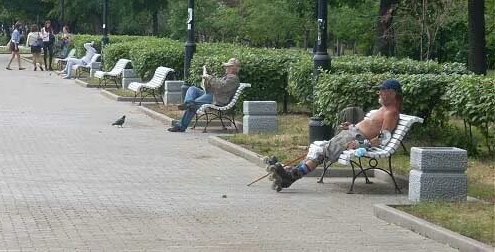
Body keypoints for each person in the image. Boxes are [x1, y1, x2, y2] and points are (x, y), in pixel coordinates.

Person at [269, 78, 403, 190]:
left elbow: (384, 137)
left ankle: (291, 176)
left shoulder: (391, 112)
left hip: (355, 138)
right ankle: (288, 173)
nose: (379, 93)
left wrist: (360, 144)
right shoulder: (384, 108)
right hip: (352, 134)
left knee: (322, 153)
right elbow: (371, 126)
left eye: (382, 91)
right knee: (321, 150)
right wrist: (351, 126)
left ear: (392, 93)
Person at [168, 58, 241, 133]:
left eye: (228, 66)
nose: (226, 68)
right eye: (226, 66)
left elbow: (221, 86)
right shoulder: (227, 76)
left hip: (217, 99)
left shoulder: (233, 79)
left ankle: (181, 126)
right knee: (192, 89)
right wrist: (207, 79)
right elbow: (217, 85)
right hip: (213, 95)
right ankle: (188, 102)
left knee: (193, 105)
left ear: (233, 69)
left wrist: (209, 78)